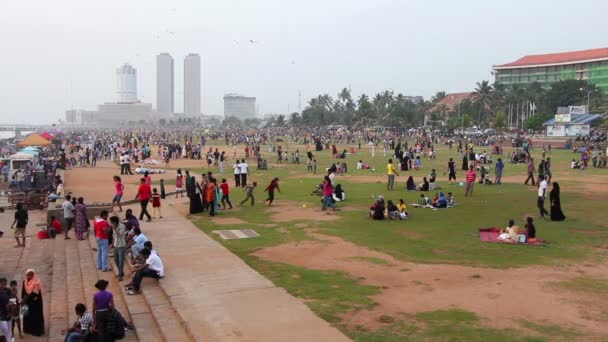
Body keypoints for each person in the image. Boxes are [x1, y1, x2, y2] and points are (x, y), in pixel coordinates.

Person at [21, 269, 44, 336]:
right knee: (26, 315)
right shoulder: (24, 282)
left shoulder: (36, 282)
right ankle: (28, 330)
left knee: (35, 317)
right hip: (26, 301)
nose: (30, 276)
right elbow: (23, 292)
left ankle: (37, 331)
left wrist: (32, 299)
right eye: (28, 275)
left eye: (31, 275)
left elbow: (37, 294)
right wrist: (23, 300)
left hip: (35, 302)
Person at [110, 216, 127, 281]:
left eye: (112, 222)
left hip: (121, 245)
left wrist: (114, 228)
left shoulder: (122, 226)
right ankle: (121, 272)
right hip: (116, 245)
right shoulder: (113, 227)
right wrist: (112, 244)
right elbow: (113, 236)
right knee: (116, 260)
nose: (111, 223)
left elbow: (119, 235)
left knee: (121, 261)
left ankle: (120, 275)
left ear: (115, 222)